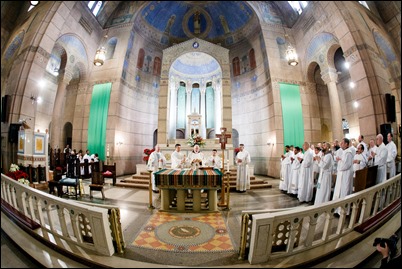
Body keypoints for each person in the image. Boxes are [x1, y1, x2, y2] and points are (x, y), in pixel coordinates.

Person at [332, 138, 354, 215]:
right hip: (341, 175)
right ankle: (337, 210)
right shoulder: (343, 152)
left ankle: (343, 211)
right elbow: (339, 160)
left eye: (342, 143)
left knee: (344, 192)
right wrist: (339, 160)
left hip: (345, 175)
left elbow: (345, 165)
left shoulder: (348, 153)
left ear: (347, 144)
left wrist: (340, 161)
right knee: (338, 192)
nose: (341, 144)